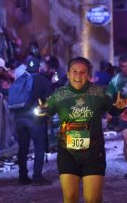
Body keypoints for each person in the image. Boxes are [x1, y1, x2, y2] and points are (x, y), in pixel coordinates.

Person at [41, 57, 114, 202]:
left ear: (88, 75)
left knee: (92, 198)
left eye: (83, 72)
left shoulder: (99, 93)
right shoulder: (58, 95)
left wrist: (120, 106)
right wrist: (40, 112)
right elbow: (43, 113)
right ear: (68, 74)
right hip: (67, 153)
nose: (78, 76)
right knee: (70, 197)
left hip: (94, 153)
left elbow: (114, 109)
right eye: (74, 71)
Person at [10, 56, 52, 186]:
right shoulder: (43, 81)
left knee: (23, 148)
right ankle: (37, 176)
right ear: (39, 68)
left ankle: (23, 176)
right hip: (34, 119)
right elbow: (47, 102)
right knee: (39, 146)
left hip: (19, 118)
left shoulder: (21, 79)